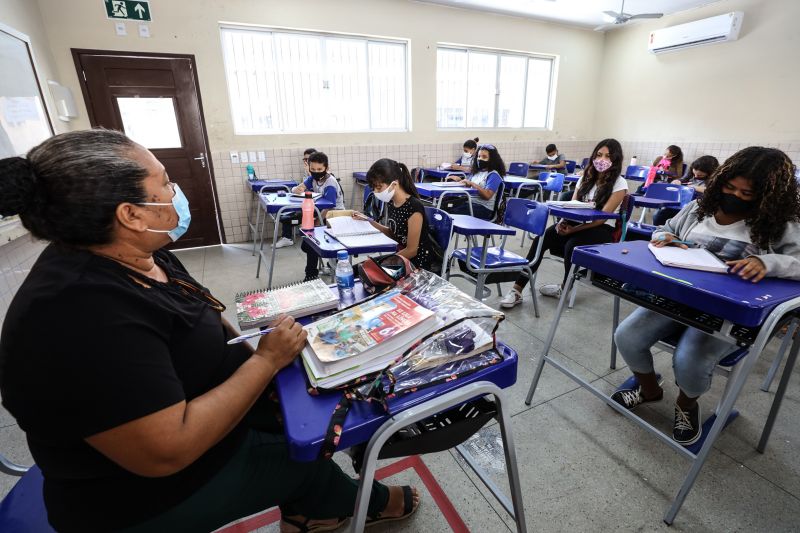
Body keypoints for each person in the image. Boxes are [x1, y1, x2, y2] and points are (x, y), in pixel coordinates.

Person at [0, 129, 419, 533]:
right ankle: (339, 500)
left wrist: (261, 359)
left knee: (312, 402)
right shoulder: (77, 315)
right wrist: (266, 360)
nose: (174, 193)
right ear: (129, 213)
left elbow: (202, 313)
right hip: (137, 496)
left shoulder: (142, 253)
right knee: (304, 457)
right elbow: (169, 450)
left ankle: (310, 512)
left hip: (202, 409)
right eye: (164, 184)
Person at [612, 146, 800, 446]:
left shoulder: (783, 226)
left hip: (729, 312)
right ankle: (650, 390)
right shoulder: (700, 209)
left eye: (747, 193)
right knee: (627, 337)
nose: (734, 196)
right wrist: (664, 238)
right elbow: (665, 229)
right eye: (729, 187)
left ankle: (686, 405)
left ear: (768, 197)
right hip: (679, 298)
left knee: (689, 360)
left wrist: (768, 262)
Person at [500, 138, 628, 307]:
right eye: (598, 155)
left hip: (602, 230)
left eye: (608, 156)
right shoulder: (586, 178)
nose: (602, 160)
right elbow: (571, 206)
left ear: (615, 159)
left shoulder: (619, 183)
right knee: (542, 237)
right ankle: (517, 290)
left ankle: (565, 287)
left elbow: (601, 218)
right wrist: (562, 222)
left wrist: (573, 231)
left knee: (572, 245)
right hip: (578, 224)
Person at [354, 158, 434, 270]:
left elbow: (411, 250)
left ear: (394, 184)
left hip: (416, 265)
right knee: (359, 269)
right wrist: (368, 221)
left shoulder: (414, 207)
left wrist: (385, 262)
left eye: (379, 187)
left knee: (367, 271)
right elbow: (394, 234)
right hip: (401, 257)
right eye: (374, 188)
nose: (376, 192)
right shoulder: (392, 203)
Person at [275, 151, 344, 250]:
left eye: (319, 169)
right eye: (313, 169)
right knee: (308, 244)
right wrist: (296, 190)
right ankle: (312, 265)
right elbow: (297, 188)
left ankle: (332, 263)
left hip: (334, 215)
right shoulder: (312, 178)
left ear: (327, 168)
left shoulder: (330, 183)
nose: (316, 171)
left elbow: (329, 206)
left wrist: (317, 223)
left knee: (316, 245)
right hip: (319, 211)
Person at [652, 155, 719, 226]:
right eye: (694, 174)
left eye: (700, 176)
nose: (696, 176)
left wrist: (693, 187)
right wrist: (678, 181)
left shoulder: (716, 179)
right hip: (681, 202)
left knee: (681, 221)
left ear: (710, 173)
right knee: (659, 215)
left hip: (697, 207)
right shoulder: (692, 172)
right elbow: (683, 179)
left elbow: (712, 190)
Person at [444, 144, 505, 220]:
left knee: (450, 214)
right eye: (479, 156)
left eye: (484, 157)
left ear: (492, 159)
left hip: (484, 208)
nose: (480, 159)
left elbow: (487, 195)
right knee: (444, 206)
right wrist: (459, 180)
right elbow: (468, 185)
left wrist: (472, 184)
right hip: (470, 203)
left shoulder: (493, 175)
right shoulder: (476, 172)